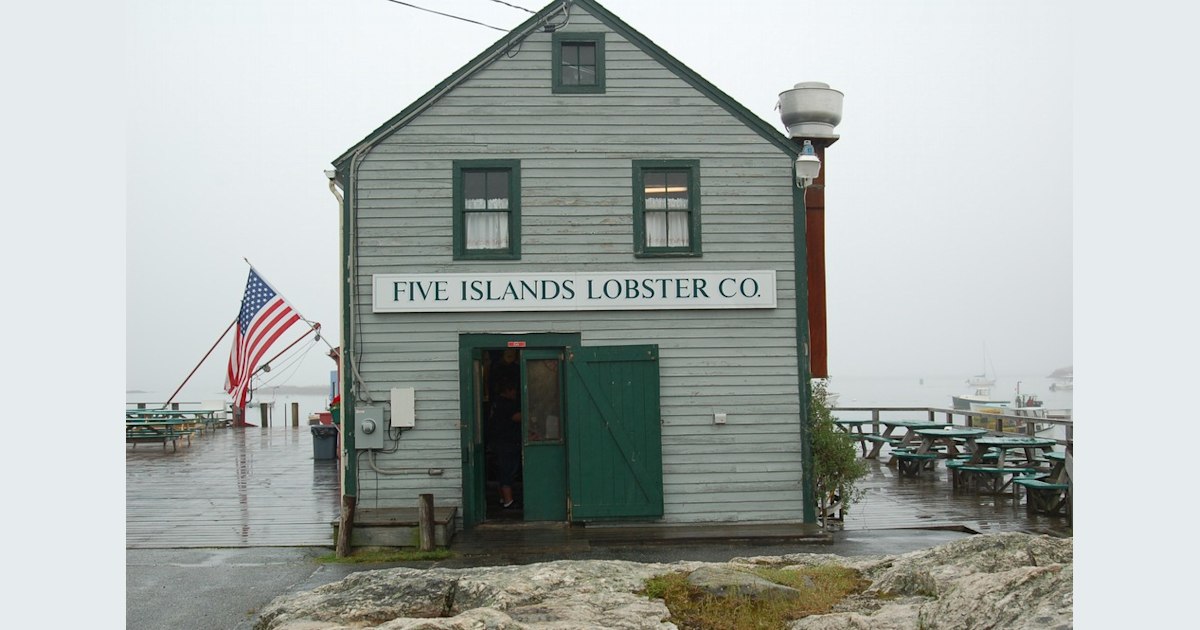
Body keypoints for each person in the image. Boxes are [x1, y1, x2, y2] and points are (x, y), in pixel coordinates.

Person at [488, 380, 522, 509]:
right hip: (508, 443)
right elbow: (517, 417)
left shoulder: (496, 403)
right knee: (508, 470)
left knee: (502, 470)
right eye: (513, 390)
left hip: (499, 441)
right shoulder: (506, 404)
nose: (515, 393)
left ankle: (503, 498)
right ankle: (509, 500)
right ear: (507, 391)